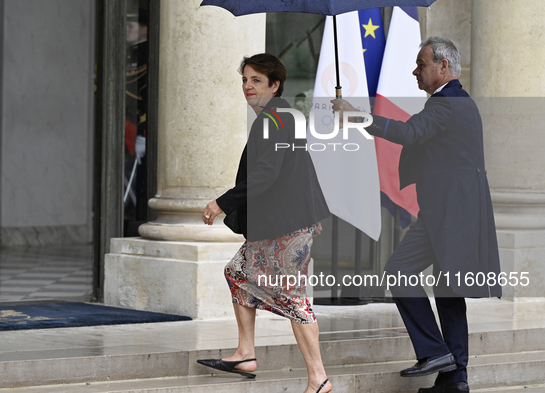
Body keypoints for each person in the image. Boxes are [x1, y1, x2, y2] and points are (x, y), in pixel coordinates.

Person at [332, 36, 501, 393]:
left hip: (446, 215)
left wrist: (357, 114)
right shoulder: (459, 102)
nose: (415, 71)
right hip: (457, 212)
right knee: (448, 291)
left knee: (398, 270)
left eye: (421, 64)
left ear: (443, 67)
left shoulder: (444, 104)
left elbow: (409, 133)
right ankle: (456, 378)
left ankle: (435, 352)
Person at [198, 53, 333, 393]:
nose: (248, 86)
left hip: (287, 225)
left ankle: (318, 379)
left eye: (256, 80)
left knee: (292, 297)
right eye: (245, 79)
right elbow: (296, 169)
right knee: (238, 273)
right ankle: (245, 354)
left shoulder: (275, 118)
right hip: (285, 222)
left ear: (274, 85)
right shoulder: (280, 115)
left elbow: (266, 173)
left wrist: (221, 202)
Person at [124, 7, 149, 234]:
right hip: (129, 124)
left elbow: (145, 96)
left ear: (144, 29)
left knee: (140, 182)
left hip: (141, 127)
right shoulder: (129, 52)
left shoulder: (146, 54)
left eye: (130, 27)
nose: (126, 31)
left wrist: (144, 130)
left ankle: (137, 215)